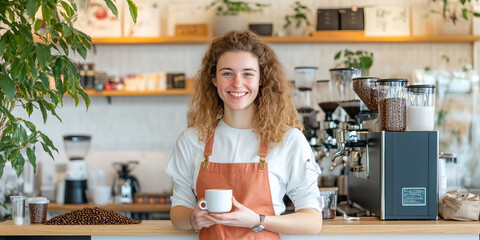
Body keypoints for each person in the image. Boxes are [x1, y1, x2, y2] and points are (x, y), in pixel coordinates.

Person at [165, 30, 322, 239]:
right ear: (214, 78)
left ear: (261, 79)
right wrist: (194, 219)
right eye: (227, 73)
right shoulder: (192, 139)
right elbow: (178, 213)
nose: (237, 83)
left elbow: (312, 221)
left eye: (248, 73)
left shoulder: (288, 139)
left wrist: (258, 220)